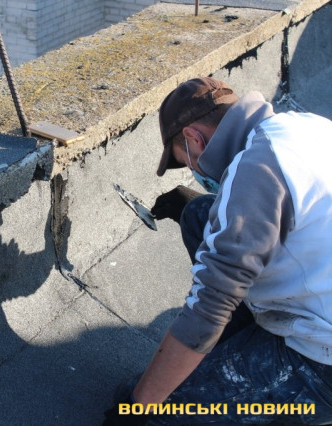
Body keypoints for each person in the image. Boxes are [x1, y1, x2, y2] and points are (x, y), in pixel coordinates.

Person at [104, 77, 332, 425]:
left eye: (186, 161)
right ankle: (241, 348)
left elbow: (208, 310)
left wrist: (140, 405)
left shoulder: (257, 170)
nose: (193, 170)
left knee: (159, 409)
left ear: (194, 138)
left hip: (322, 361)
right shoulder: (305, 126)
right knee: (199, 214)